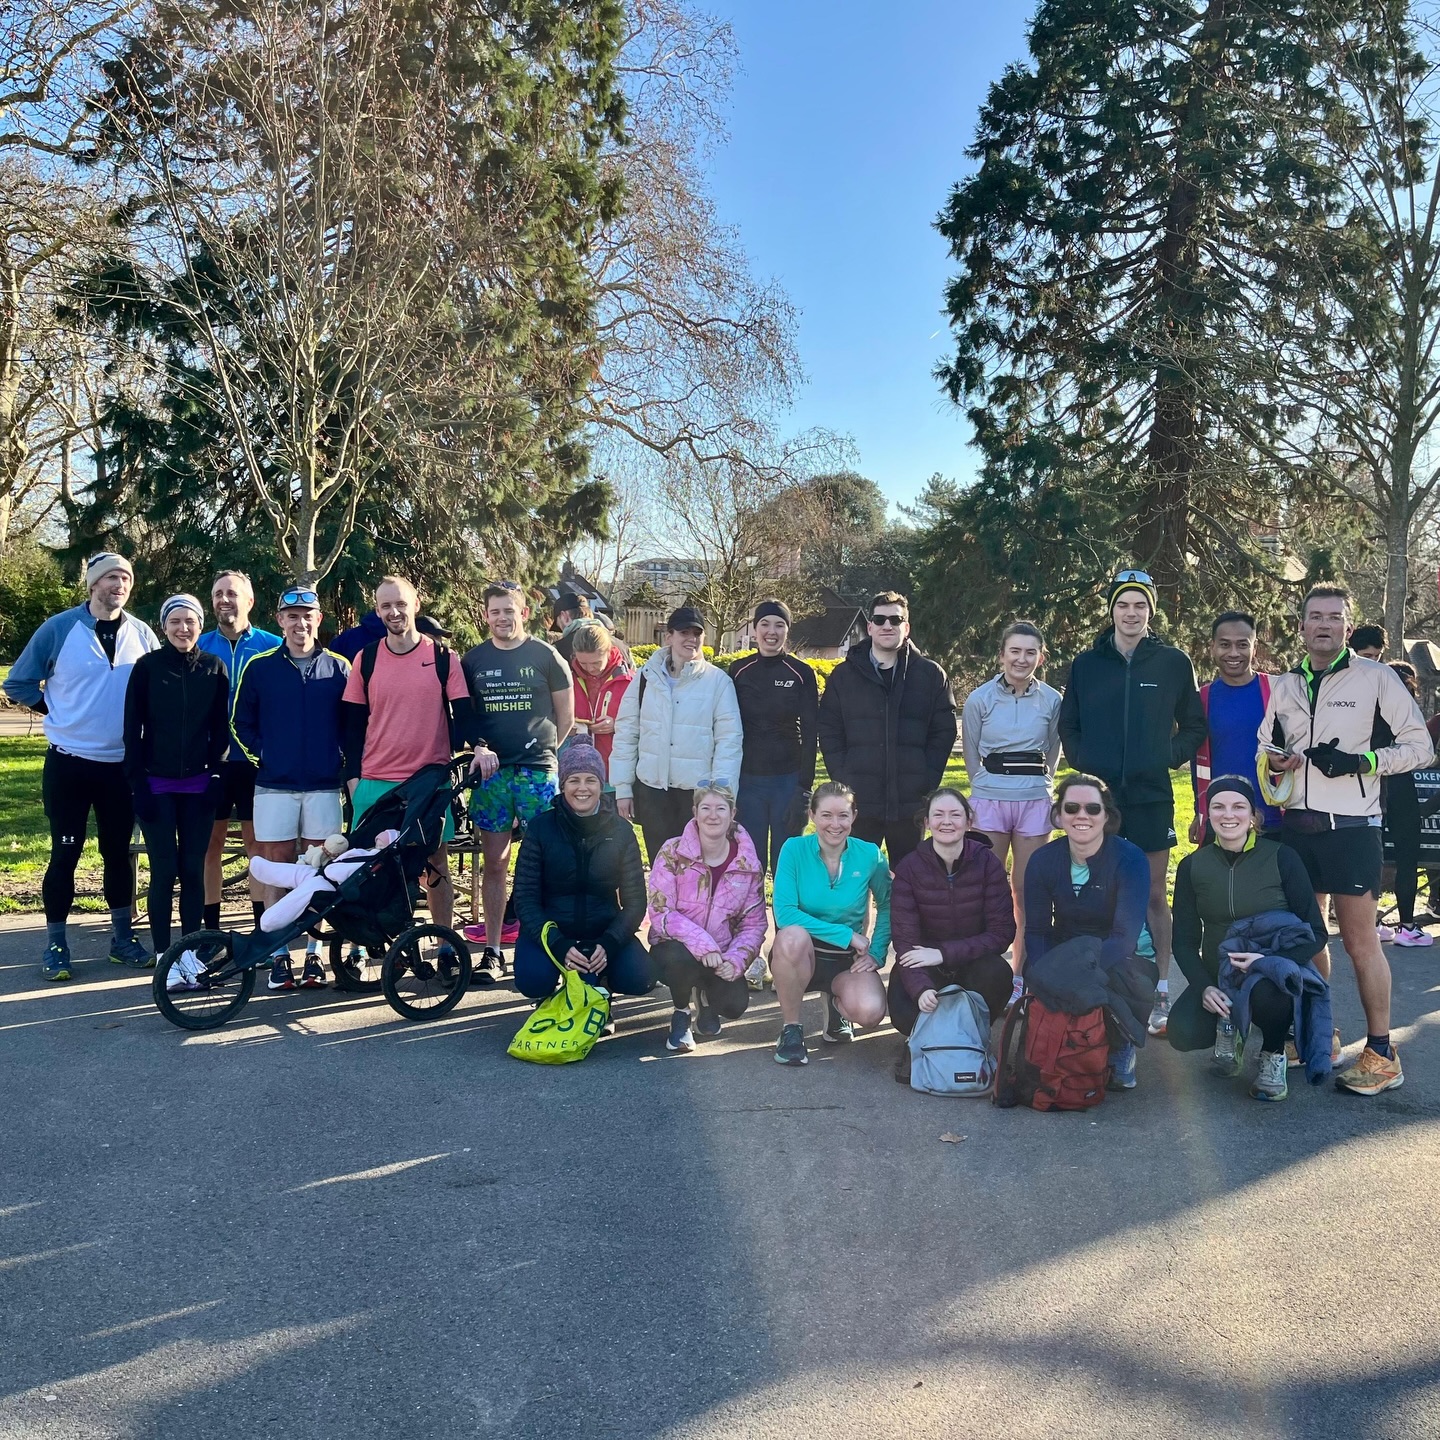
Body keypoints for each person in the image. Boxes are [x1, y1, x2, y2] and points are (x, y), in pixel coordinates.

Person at [1261, 584, 1435, 1095]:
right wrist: (1278, 760)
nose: (1324, 624)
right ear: (1301, 626)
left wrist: (1363, 762)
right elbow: (1265, 744)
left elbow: (1420, 747)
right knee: (1309, 937)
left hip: (1353, 828)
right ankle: (1322, 1035)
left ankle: (1382, 1054)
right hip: (1299, 827)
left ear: (1347, 626)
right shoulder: (1287, 684)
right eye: (1315, 616)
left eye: (1334, 617)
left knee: (1359, 941)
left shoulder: (1377, 677)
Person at [1057, 568, 1206, 1038]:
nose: (1131, 612)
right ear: (1111, 610)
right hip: (1097, 801)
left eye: (1140, 604)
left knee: (1153, 895)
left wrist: (1166, 755)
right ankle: (1101, 981)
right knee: (1096, 891)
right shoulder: (1086, 664)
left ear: (1150, 611)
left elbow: (1195, 725)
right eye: (1123, 604)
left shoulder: (1173, 663)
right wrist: (1085, 762)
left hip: (1150, 797)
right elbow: (1069, 725)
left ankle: (1159, 988)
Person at [3, 552, 159, 979]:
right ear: (92, 584)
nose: (119, 585)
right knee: (65, 853)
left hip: (120, 768)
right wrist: (55, 711)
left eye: (125, 578)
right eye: (110, 578)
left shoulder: (142, 634)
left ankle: (122, 940)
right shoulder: (59, 629)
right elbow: (17, 682)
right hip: (69, 765)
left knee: (117, 854)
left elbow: (157, 689)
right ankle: (56, 944)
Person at [342, 575, 473, 978]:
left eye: (400, 603)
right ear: (377, 611)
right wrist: (352, 778)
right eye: (386, 606)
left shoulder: (444, 658)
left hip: (427, 784)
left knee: (435, 864)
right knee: (364, 866)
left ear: (416, 604)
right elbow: (351, 725)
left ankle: (445, 946)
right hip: (375, 781)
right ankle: (361, 948)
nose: (394, 612)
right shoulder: (366, 659)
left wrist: (475, 751)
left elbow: (464, 718)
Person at [1167, 776, 1329, 1101]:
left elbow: (1317, 932)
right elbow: (1183, 941)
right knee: (1183, 1032)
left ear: (1253, 816)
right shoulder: (1192, 866)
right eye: (1218, 807)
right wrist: (1204, 986)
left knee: (1272, 993)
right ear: (1208, 814)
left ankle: (1273, 1053)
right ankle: (1229, 1025)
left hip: (1271, 970)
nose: (1229, 815)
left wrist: (1268, 962)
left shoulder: (1282, 857)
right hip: (1218, 970)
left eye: (1238, 806)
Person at [233, 586, 352, 990]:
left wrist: (340, 761)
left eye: (307, 615)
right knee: (277, 866)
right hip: (274, 785)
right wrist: (266, 757)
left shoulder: (339, 668)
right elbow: (240, 722)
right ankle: (279, 953)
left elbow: (353, 725)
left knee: (321, 868)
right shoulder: (260, 667)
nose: (300, 623)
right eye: (292, 616)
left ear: (319, 619)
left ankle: (314, 956)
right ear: (280, 620)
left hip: (323, 785)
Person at [462, 580, 573, 982]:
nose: (502, 618)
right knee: (495, 863)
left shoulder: (546, 656)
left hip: (537, 773)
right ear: (485, 615)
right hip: (492, 775)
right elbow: (466, 718)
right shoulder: (473, 660)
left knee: (546, 864)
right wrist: (479, 748)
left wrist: (542, 756)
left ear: (523, 613)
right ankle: (492, 951)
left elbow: (566, 718)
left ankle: (547, 949)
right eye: (495, 611)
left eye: (509, 610)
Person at [1023, 772, 1155, 1090]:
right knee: (1036, 971)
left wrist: (1077, 972)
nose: (1082, 815)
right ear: (1059, 815)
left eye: (1093, 809)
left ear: (1107, 815)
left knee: (1122, 978)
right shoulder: (1042, 860)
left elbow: (1124, 937)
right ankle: (1058, 1041)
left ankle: (1120, 1045)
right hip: (1068, 944)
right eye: (1072, 808)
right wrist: (1045, 972)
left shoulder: (1130, 859)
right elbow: (1037, 930)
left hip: (1123, 951)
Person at [123, 595, 231, 957]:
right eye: (175, 622)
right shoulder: (147, 667)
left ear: (200, 625)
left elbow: (220, 728)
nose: (183, 629)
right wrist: (137, 785)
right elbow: (131, 729)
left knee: (192, 869)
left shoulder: (214, 667)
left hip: (199, 785)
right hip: (156, 784)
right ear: (163, 626)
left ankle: (190, 954)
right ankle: (163, 956)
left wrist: (217, 776)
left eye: (190, 622)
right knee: (165, 869)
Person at [817, 591, 957, 864]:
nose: (887, 626)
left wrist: (926, 779)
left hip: (910, 803)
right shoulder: (843, 676)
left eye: (895, 619)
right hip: (858, 801)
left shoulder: (930, 675)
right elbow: (830, 730)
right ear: (870, 627)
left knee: (908, 880)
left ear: (907, 627)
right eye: (880, 620)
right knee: (856, 878)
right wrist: (843, 776)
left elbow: (944, 731)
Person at [888, 788, 1017, 1084]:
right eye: (938, 815)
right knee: (903, 1005)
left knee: (998, 973)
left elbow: (1002, 933)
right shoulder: (909, 868)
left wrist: (943, 953)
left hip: (973, 962)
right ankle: (924, 1039)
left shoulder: (988, 863)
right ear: (927, 822)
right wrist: (921, 988)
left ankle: (970, 1037)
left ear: (969, 821)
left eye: (955, 814)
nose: (947, 821)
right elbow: (905, 940)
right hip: (925, 962)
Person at [510, 738, 653, 1005]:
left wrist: (609, 943)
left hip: (602, 931)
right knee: (532, 980)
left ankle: (601, 985)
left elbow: (635, 902)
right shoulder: (540, 829)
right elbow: (525, 899)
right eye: (574, 780)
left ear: (601, 785)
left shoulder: (622, 831)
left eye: (591, 780)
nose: (583, 788)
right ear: (563, 785)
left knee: (640, 977)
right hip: (553, 931)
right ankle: (556, 993)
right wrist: (557, 944)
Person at [960, 619, 1061, 988]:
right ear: (1001, 655)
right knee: (987, 888)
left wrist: (1041, 784)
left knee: (1027, 891)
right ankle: (982, 974)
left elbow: (1053, 750)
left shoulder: (1052, 700)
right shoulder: (980, 699)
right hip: (990, 798)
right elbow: (971, 752)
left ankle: (1020, 977)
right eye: (1014, 651)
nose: (1021, 659)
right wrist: (984, 785)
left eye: (1030, 652)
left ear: (1041, 657)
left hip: (1033, 799)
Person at [769, 781, 891, 1066]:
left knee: (870, 1012)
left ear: (854, 816)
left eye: (843, 815)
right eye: (826, 815)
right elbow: (785, 913)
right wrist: (846, 935)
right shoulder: (793, 849)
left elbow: (889, 904)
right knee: (791, 937)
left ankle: (836, 1005)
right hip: (801, 953)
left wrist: (877, 953)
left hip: (847, 960)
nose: (835, 824)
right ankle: (791, 1029)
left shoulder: (869, 854)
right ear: (812, 815)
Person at [611, 606, 743, 858]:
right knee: (661, 867)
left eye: (697, 633)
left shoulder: (719, 682)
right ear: (668, 636)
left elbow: (729, 742)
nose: (691, 639)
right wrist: (623, 788)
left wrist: (721, 797)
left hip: (697, 796)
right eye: (684, 632)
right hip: (652, 793)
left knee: (698, 868)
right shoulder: (645, 678)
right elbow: (627, 733)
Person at [647, 782, 765, 1052]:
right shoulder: (672, 851)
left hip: (721, 954)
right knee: (679, 960)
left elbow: (754, 924)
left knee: (734, 1005)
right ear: (695, 812)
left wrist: (735, 960)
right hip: (676, 947)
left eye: (721, 809)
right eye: (706, 808)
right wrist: (703, 945)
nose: (713, 816)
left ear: (732, 814)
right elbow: (660, 910)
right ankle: (681, 1013)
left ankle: (707, 1001)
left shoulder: (748, 864)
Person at [198, 570, 281, 932]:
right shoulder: (199, 645)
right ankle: (211, 932)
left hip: (256, 761)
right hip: (210, 762)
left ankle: (261, 929)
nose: (224, 600)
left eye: (231, 593)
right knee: (209, 845)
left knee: (256, 845)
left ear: (249, 601)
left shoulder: (272, 645)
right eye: (218, 594)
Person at [729, 599, 820, 877]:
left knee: (786, 865)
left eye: (779, 625)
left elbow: (811, 733)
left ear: (787, 630)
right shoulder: (738, 670)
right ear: (755, 629)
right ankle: (751, 909)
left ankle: (785, 909)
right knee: (749, 863)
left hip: (787, 782)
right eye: (765, 624)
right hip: (748, 782)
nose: (772, 631)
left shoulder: (801, 673)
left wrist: (804, 789)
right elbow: (726, 727)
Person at [1190, 612, 1281, 842]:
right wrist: (1199, 812)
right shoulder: (1202, 699)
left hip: (1275, 819)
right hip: (1221, 821)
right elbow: (1197, 762)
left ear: (1254, 647)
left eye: (1242, 645)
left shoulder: (1279, 691)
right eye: (1224, 645)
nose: (1233, 653)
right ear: (1212, 647)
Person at [1380, 662, 1434, 948]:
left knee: (1371, 855)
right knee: (1407, 858)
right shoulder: (1408, 714)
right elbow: (1423, 751)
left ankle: (1371, 922)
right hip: (1400, 784)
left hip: (1372, 784)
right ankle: (1407, 926)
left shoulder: (1372, 706)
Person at [568, 619, 633, 769]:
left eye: (596, 663)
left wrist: (617, 725)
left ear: (609, 652)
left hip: (615, 767)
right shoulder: (567, 679)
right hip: (577, 769)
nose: (590, 669)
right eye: (583, 663)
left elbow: (645, 724)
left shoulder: (630, 681)